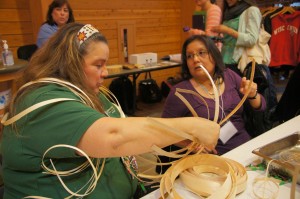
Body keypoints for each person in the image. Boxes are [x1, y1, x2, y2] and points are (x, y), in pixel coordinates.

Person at [0, 23, 220, 198]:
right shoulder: (41, 100)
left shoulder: (89, 93)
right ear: (71, 63)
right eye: (98, 64)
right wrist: (192, 126)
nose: (105, 72)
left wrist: (174, 136)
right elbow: (113, 136)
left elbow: (124, 126)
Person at [157, 35, 266, 171]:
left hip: (246, 148)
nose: (195, 59)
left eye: (201, 53)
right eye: (190, 56)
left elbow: (261, 107)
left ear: (213, 55)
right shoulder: (180, 92)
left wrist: (252, 95)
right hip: (212, 163)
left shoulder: (229, 76)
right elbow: (162, 131)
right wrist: (190, 145)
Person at [211, 0, 261, 76]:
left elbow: (252, 39)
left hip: (240, 63)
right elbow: (229, 39)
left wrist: (227, 30)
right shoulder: (228, 12)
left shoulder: (252, 10)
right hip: (224, 60)